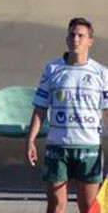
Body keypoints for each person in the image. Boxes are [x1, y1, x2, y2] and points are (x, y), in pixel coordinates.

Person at [26, 17, 108, 213]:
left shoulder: (101, 73)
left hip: (89, 148)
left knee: (88, 207)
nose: (75, 39)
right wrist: (30, 139)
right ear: (67, 39)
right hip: (58, 146)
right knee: (56, 204)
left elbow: (106, 111)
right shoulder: (53, 70)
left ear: (90, 41)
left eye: (81, 35)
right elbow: (40, 108)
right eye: (72, 35)